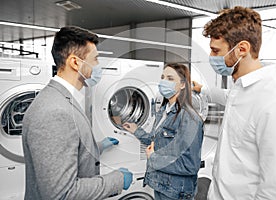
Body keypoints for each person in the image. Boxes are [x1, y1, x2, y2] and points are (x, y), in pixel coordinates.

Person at [199, 6, 276, 200]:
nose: (211, 58)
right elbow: (225, 96)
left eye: (215, 51)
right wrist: (199, 89)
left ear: (242, 50)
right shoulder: (242, 89)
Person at [22, 26, 133, 199]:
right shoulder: (54, 112)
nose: (98, 66)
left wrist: (97, 147)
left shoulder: (60, 98)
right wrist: (116, 180)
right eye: (95, 59)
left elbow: (68, 145)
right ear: (75, 62)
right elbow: (61, 194)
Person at [122, 63, 204, 200]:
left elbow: (190, 165)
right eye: (162, 77)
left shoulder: (189, 118)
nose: (163, 82)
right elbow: (157, 143)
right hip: (161, 185)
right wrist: (137, 131)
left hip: (176, 191)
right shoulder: (164, 111)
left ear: (183, 85)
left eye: (170, 78)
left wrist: (154, 158)